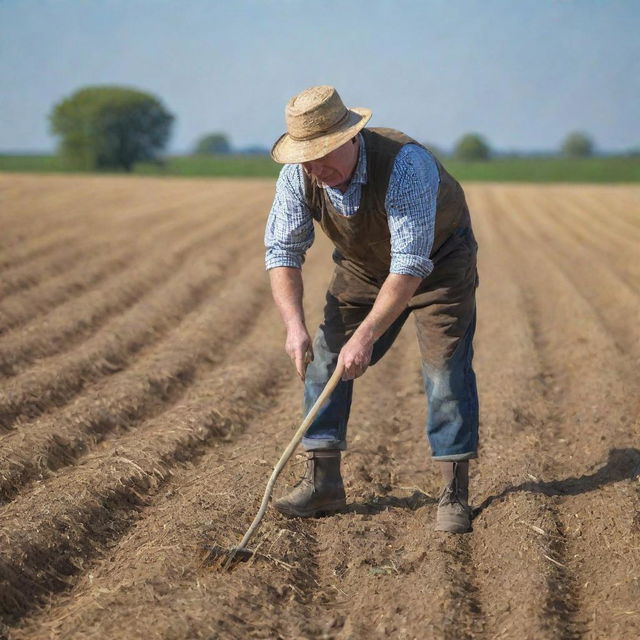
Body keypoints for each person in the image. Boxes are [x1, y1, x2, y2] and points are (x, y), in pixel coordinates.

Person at [264, 86, 479, 533]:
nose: (316, 169)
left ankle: (453, 490)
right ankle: (323, 483)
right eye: (307, 158)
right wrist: (293, 326)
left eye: (324, 156)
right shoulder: (300, 175)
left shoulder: (405, 164)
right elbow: (283, 251)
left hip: (436, 265)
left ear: (351, 137)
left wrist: (366, 336)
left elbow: (410, 263)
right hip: (363, 268)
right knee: (325, 357)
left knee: (443, 370)